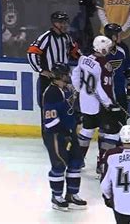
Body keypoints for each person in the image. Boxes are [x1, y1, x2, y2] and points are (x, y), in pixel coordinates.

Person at [71, 35, 120, 174]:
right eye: (109, 48)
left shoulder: (83, 59)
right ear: (103, 49)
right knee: (111, 133)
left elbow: (75, 76)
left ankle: (77, 161)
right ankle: (103, 164)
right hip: (100, 105)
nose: (110, 50)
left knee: (87, 129)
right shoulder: (105, 65)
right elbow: (104, 88)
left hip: (86, 104)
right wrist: (109, 103)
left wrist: (81, 92)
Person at [41, 63, 86, 211]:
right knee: (59, 164)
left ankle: (72, 195)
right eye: (66, 74)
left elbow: (71, 109)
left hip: (69, 132)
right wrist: (64, 133)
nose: (69, 76)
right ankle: (57, 197)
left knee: (76, 161)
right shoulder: (52, 93)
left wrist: (77, 119)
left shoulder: (66, 89)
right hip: (55, 134)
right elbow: (50, 119)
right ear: (60, 76)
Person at [27, 11, 80, 135]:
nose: (63, 25)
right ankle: (48, 135)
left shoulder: (67, 37)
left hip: (64, 78)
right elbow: (32, 52)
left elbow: (75, 52)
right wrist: (41, 70)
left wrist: (87, 61)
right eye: (60, 22)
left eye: (65, 22)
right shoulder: (46, 37)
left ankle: (65, 133)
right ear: (54, 23)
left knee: (66, 105)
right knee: (48, 108)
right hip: (49, 80)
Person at [104, 23, 130, 125]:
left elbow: (127, 69)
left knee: (122, 119)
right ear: (113, 36)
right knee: (107, 121)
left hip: (120, 91)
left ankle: (122, 140)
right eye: (119, 34)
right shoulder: (101, 50)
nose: (121, 36)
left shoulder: (123, 48)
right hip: (106, 93)